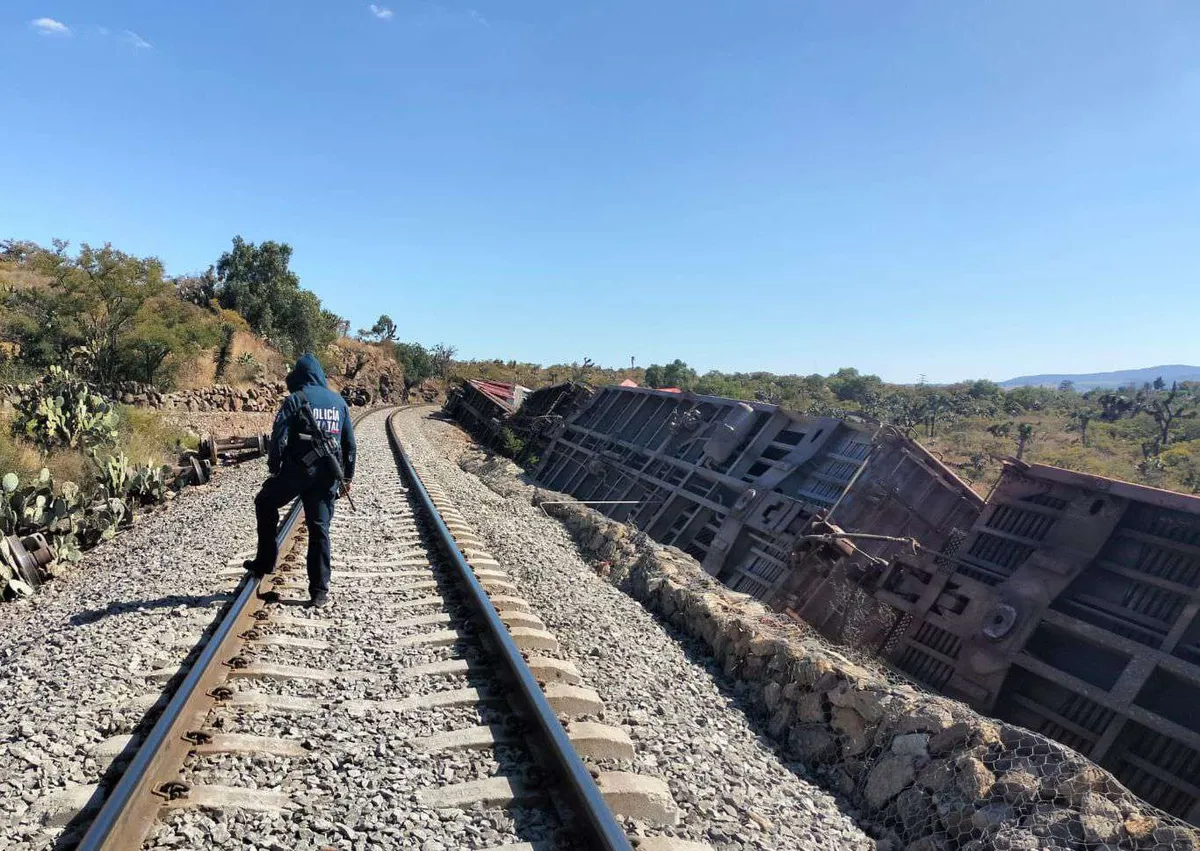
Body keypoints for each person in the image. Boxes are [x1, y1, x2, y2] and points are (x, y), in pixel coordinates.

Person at [244, 353, 356, 607]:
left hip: (297, 473)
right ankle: (319, 592)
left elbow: (279, 436)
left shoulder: (295, 399)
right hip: (328, 474)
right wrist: (347, 476)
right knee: (320, 530)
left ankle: (265, 561)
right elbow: (350, 445)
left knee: (265, 502)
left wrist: (274, 468)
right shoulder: (339, 403)